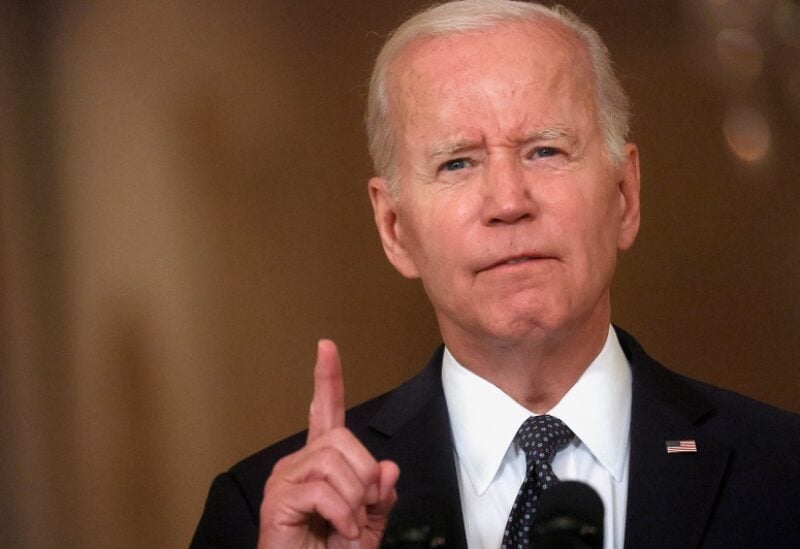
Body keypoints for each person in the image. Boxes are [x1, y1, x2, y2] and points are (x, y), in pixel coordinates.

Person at [191, 1, 800, 548]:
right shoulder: (268, 519)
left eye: (545, 150)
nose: (508, 200)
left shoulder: (783, 473)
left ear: (624, 194)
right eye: (457, 162)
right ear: (395, 229)